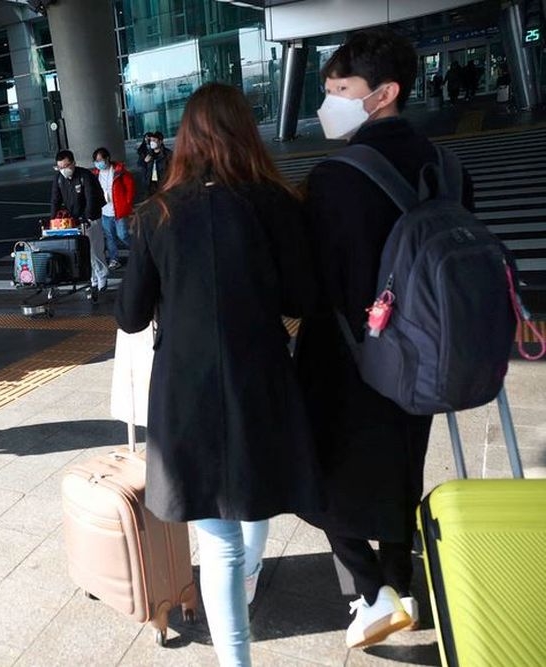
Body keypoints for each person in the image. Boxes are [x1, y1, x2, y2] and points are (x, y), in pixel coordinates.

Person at [116, 83, 322, 667]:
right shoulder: (275, 202)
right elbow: (303, 296)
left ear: (185, 139)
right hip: (259, 375)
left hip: (186, 389)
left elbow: (130, 316)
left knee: (217, 541)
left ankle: (237, 658)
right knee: (251, 498)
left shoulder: (156, 213)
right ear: (244, 132)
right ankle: (250, 576)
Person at [297, 29, 475, 649]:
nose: (329, 103)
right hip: (430, 355)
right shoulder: (449, 167)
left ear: (384, 93)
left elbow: (315, 282)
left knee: (317, 474)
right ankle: (407, 586)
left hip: (351, 355)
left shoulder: (337, 176)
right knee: (402, 468)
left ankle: (373, 593)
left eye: (340, 89)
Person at [49, 150, 108, 297]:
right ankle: (92, 279)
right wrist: (52, 220)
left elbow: (91, 198)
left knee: (94, 250)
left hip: (91, 219)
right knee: (83, 253)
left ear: (74, 163)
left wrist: (87, 217)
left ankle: (102, 277)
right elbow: (55, 200)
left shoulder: (85, 176)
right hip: (74, 220)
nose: (64, 170)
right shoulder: (59, 179)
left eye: (66, 166)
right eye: (60, 167)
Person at [91, 147, 135, 270]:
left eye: (100, 160)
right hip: (105, 211)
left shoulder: (119, 171)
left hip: (119, 210)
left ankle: (137, 250)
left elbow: (130, 187)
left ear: (107, 158)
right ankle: (114, 259)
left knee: (123, 235)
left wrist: (127, 203)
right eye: (96, 160)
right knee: (110, 237)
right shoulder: (95, 174)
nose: (98, 163)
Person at [137, 131, 172, 196]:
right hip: (150, 185)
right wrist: (145, 162)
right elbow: (141, 166)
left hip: (163, 185)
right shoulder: (147, 153)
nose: (152, 142)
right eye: (151, 140)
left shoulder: (168, 154)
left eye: (154, 140)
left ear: (160, 141)